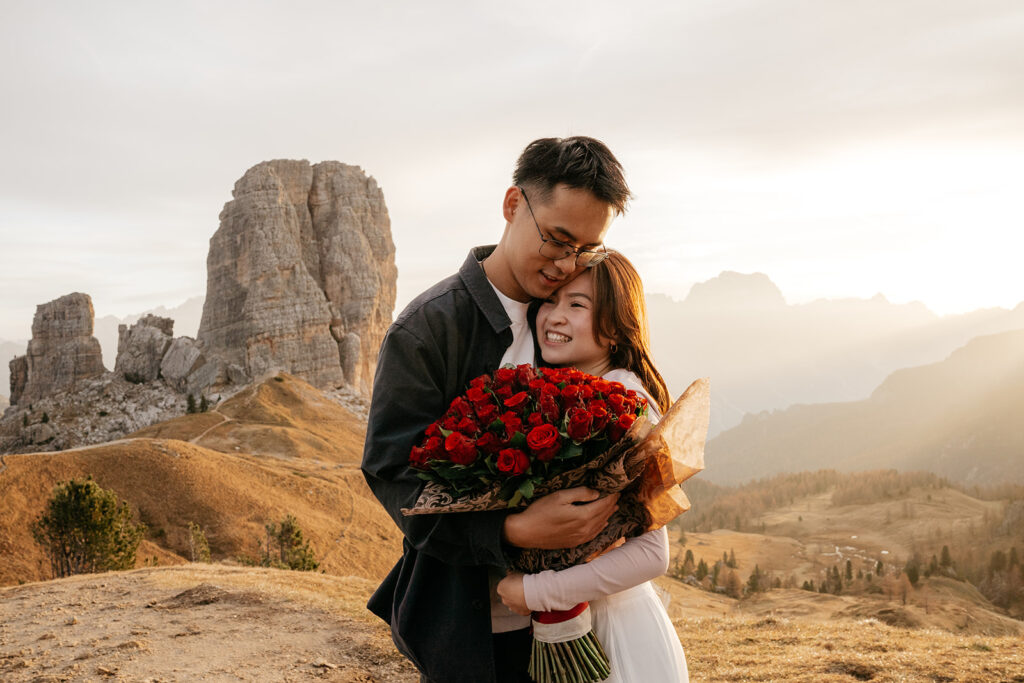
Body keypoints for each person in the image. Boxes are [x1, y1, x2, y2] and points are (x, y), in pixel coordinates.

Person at [361, 136, 632, 683]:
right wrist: (510, 530)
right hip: (471, 625)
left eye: (584, 248)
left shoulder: (567, 313)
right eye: (556, 239)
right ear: (513, 206)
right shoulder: (427, 329)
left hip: (581, 615)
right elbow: (392, 474)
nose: (565, 264)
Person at [496, 250, 689, 682]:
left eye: (577, 305)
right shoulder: (565, 394)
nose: (555, 317)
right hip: (563, 630)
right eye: (551, 300)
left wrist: (536, 591)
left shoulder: (628, 406)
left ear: (617, 327)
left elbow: (651, 555)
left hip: (615, 633)